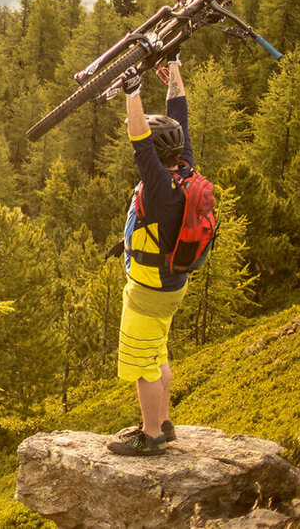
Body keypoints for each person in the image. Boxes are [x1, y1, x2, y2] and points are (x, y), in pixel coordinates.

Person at [107, 51, 193, 457]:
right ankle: (163, 422)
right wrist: (173, 66)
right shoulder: (185, 168)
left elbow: (139, 140)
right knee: (157, 352)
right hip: (171, 284)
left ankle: (151, 436)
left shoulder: (159, 189)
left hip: (149, 289)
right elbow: (180, 112)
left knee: (142, 363)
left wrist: (133, 92)